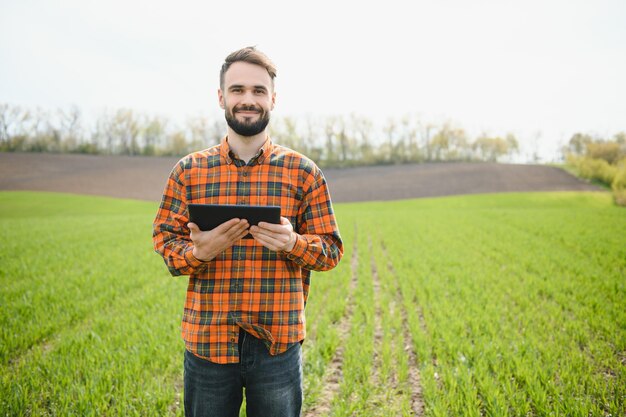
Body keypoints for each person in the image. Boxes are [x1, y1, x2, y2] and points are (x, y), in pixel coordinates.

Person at [152, 46, 343, 417]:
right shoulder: (188, 172)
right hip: (208, 343)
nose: (248, 100)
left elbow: (331, 251)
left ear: (273, 99)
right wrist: (198, 253)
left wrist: (293, 243)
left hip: (277, 347)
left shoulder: (303, 173)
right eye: (238, 90)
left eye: (258, 91)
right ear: (221, 97)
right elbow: (164, 241)